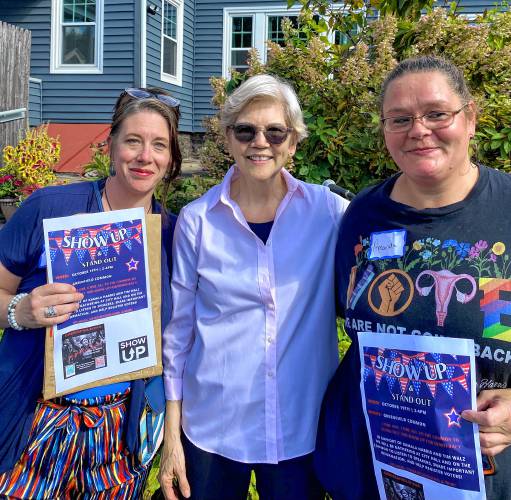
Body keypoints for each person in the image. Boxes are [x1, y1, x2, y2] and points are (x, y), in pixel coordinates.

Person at [314, 55, 511, 499]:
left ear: (471, 118)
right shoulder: (363, 216)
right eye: (400, 119)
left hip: (478, 473)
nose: (419, 130)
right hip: (371, 467)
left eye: (437, 113)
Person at [159, 74, 349, 500]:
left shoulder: (330, 213)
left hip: (299, 427)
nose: (259, 142)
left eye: (274, 131)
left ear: (293, 142)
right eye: (245, 130)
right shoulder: (197, 220)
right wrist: (172, 435)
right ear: (228, 139)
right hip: (212, 426)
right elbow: (179, 333)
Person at [0, 87, 181, 498]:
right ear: (111, 143)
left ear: (170, 160)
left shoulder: (173, 235)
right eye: (133, 140)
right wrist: (21, 310)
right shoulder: (49, 208)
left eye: (159, 145)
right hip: (36, 422)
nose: (144, 156)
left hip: (120, 435)